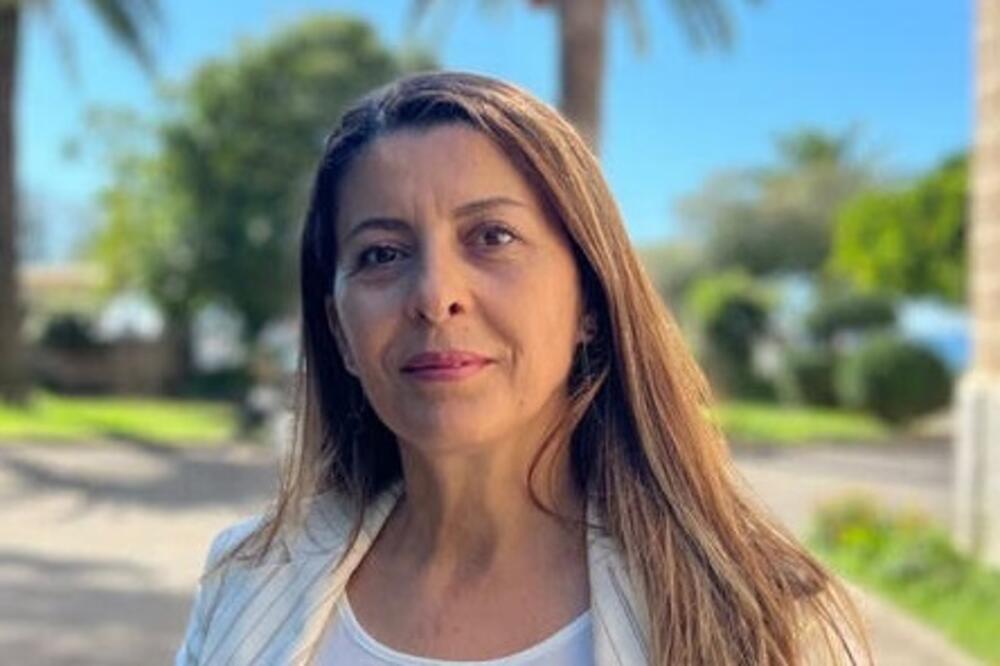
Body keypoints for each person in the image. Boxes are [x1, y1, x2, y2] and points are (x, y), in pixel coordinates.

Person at [175, 71, 870, 666]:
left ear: (589, 300)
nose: (435, 296)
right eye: (382, 253)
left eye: (492, 236)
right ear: (340, 333)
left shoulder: (764, 618)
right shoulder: (246, 581)